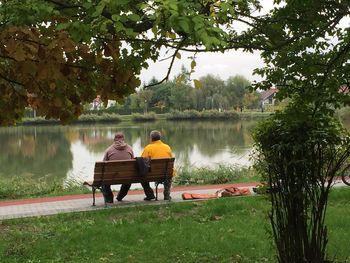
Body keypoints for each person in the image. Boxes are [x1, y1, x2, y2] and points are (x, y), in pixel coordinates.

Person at [141, 130, 174, 201]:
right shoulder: (167, 147)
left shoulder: (148, 148)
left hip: (152, 174)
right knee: (169, 173)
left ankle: (149, 195)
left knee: (142, 175)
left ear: (151, 138)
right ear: (160, 138)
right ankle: (167, 194)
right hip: (166, 173)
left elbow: (142, 161)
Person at [101, 132, 134, 203]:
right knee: (127, 181)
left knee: (104, 181)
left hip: (112, 176)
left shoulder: (109, 150)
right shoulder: (130, 149)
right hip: (126, 176)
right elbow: (132, 161)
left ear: (114, 139)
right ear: (124, 139)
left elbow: (103, 164)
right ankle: (120, 197)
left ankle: (109, 198)